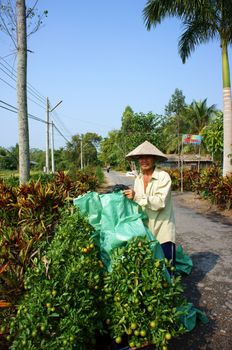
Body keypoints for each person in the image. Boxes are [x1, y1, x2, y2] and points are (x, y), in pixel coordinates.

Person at [123, 140, 176, 266]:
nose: (144, 160)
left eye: (148, 157)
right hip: (145, 232)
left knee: (167, 269)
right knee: (150, 270)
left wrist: (136, 197)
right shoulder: (138, 179)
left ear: (154, 159)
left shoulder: (163, 177)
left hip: (163, 231)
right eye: (141, 157)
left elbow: (160, 202)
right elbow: (138, 206)